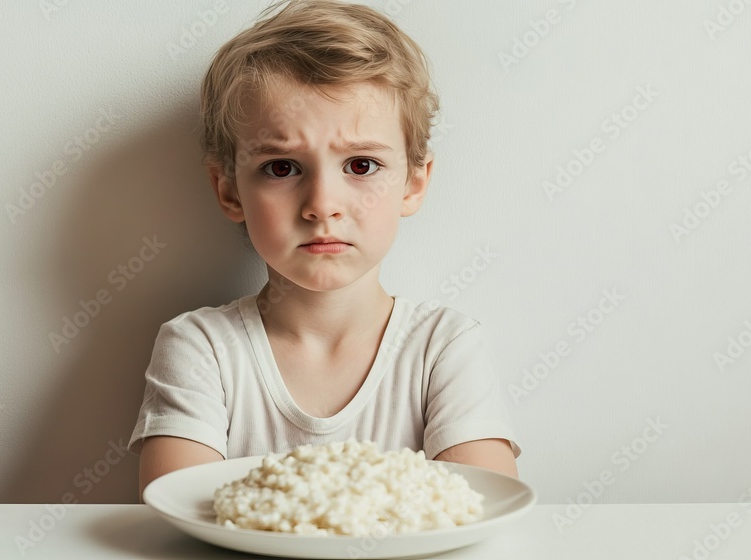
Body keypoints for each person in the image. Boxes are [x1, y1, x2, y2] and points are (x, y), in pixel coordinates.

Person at [128, 0, 520, 502]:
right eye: (282, 168)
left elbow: (483, 510)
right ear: (228, 191)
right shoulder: (201, 348)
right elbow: (178, 516)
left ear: (413, 184)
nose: (322, 206)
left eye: (360, 166)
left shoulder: (443, 347)